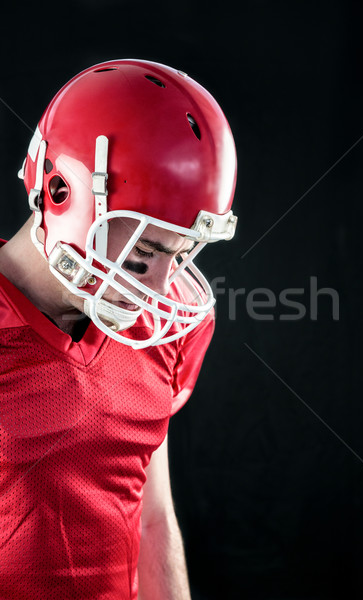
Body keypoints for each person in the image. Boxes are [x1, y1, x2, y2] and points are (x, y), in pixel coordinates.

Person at [0, 59, 237, 599]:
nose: (158, 288)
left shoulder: (162, 326)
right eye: (143, 254)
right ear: (61, 194)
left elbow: (150, 516)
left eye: (178, 257)